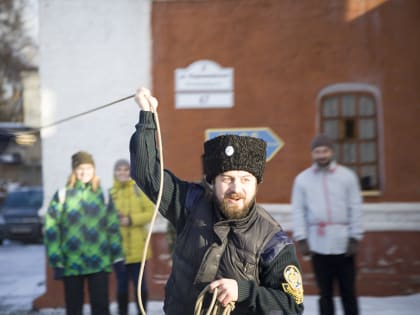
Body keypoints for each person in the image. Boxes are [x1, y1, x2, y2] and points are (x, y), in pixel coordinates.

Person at [129, 87, 304, 315]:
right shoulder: (190, 204)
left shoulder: (271, 239)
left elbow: (292, 305)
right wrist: (147, 118)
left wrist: (242, 290)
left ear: (256, 183)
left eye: (245, 180)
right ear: (213, 181)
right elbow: (146, 174)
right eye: (227, 179)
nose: (236, 188)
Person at [44, 151, 124, 315]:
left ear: (93, 170)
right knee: (74, 308)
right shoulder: (62, 196)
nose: (84, 172)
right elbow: (52, 229)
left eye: (88, 168)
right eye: (80, 168)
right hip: (71, 263)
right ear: (74, 170)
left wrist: (117, 257)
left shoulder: (104, 196)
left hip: (99, 261)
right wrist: (56, 260)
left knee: (101, 307)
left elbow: (113, 228)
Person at [291, 135, 363, 315]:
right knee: (325, 293)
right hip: (318, 244)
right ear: (312, 154)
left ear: (332, 152)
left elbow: (355, 206)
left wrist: (355, 236)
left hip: (344, 243)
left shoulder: (347, 177)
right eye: (317, 151)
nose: (321, 155)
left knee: (348, 291)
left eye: (325, 151)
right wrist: (301, 238)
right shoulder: (303, 179)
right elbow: (298, 210)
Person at [108, 158, 154, 315]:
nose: (122, 172)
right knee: (121, 287)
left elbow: (150, 212)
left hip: (139, 249)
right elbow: (104, 219)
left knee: (140, 286)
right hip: (118, 251)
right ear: (115, 173)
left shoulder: (138, 190)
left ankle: (143, 312)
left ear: (130, 172)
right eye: (119, 169)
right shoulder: (111, 194)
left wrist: (131, 219)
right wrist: (114, 218)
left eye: (125, 169)